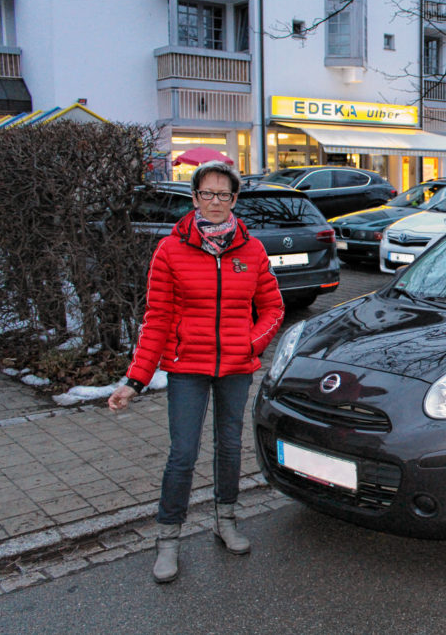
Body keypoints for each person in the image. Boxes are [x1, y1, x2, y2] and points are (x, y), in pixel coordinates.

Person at [108, 161, 284, 583]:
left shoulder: (252, 251)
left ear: (235, 200)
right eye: (208, 194)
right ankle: (168, 538)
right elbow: (157, 319)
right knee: (182, 453)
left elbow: (273, 309)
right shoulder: (170, 250)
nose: (216, 202)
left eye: (224, 194)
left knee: (229, 447)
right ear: (194, 198)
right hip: (187, 368)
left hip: (236, 368)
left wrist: (251, 343)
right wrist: (135, 379)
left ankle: (226, 519)